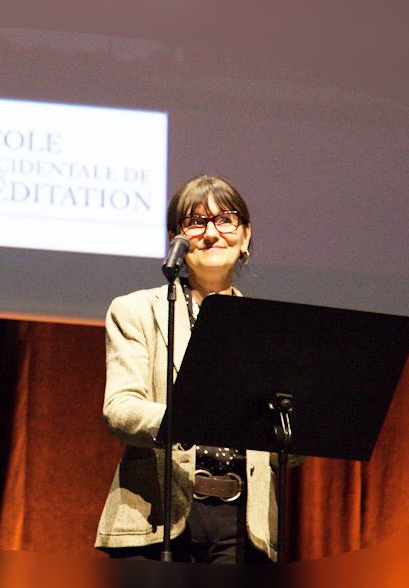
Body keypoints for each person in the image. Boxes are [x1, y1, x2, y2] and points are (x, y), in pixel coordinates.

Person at [95, 174, 279, 564]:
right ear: (177, 241)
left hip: (243, 527)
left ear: (245, 237)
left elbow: (282, 443)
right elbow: (121, 409)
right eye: (196, 223)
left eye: (225, 220)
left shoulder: (267, 328)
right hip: (158, 517)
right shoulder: (137, 311)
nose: (212, 233)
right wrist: (195, 419)